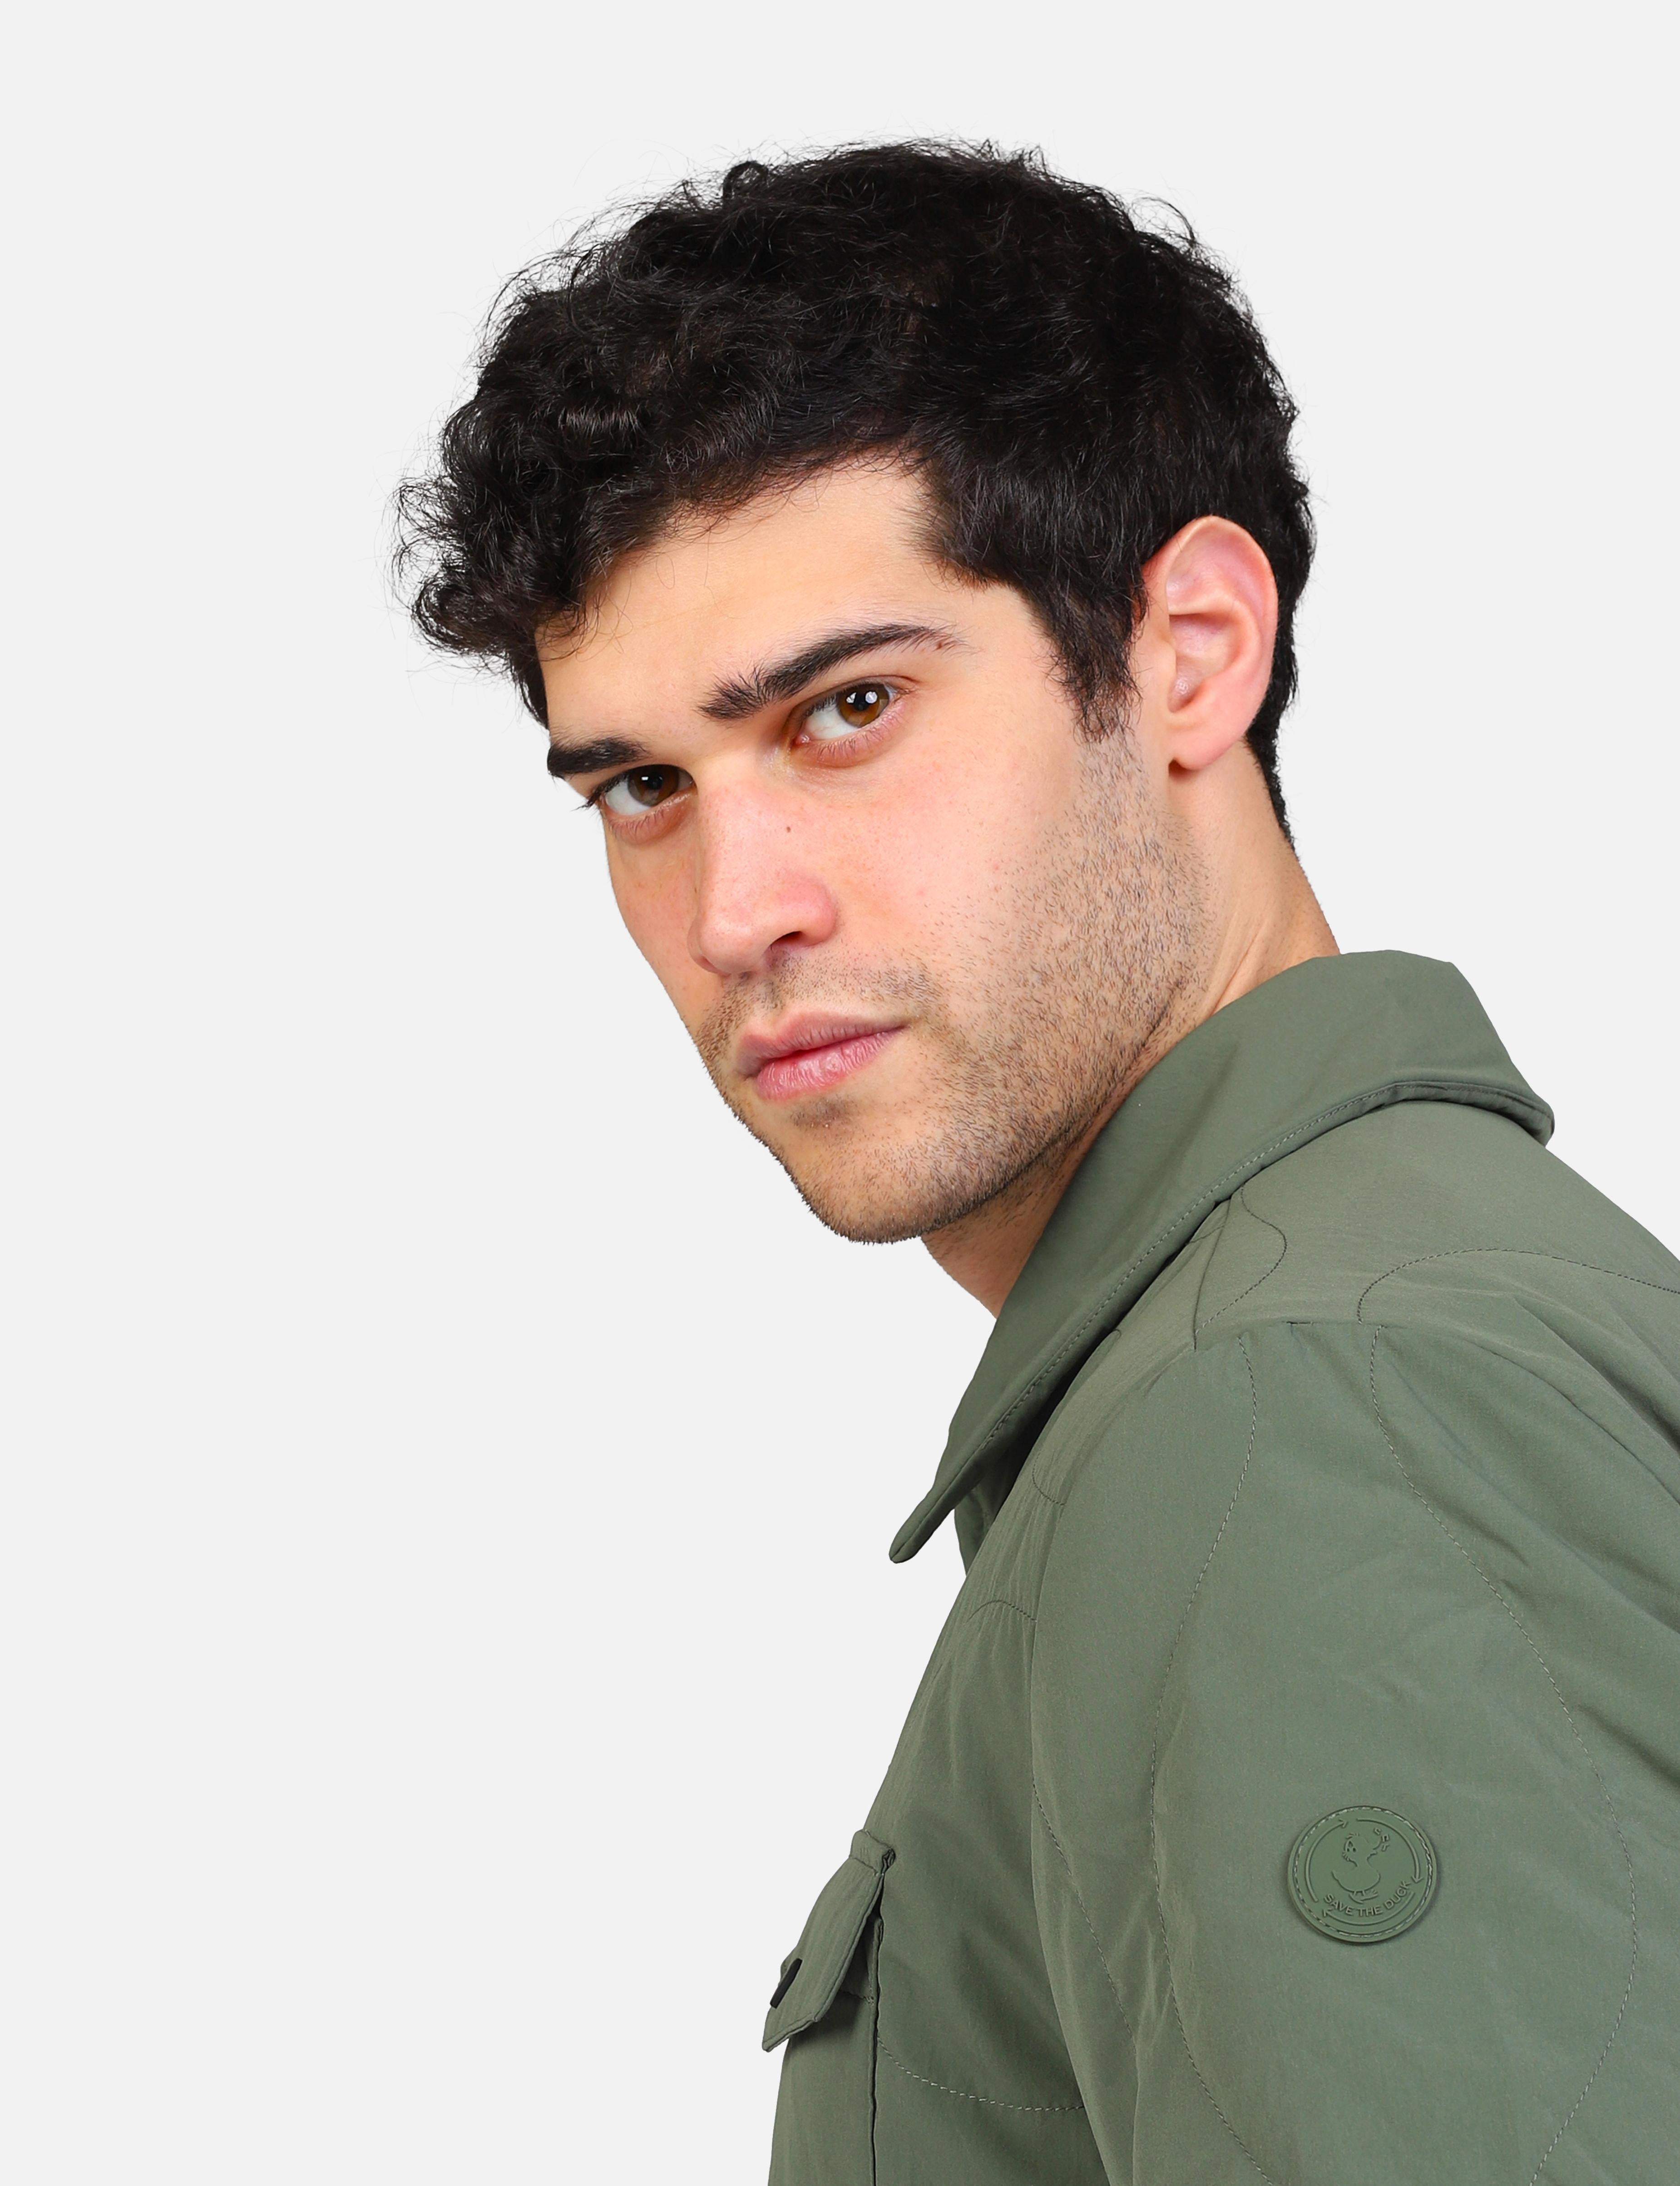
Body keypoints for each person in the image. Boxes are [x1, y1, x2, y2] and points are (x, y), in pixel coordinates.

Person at [396, 144, 1680, 2182]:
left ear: (1190, 651)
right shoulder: (1330, 1334)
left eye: (847, 709)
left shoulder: (1309, 1410)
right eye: (641, 786)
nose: (734, 909)